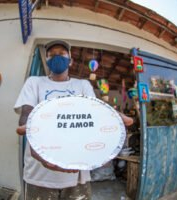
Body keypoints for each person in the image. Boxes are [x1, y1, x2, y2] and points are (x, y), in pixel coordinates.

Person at [14, 40, 133, 200]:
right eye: (52, 55)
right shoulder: (34, 82)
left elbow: (94, 113)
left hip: (77, 175)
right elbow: (26, 113)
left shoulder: (82, 85)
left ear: (70, 61)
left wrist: (111, 121)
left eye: (62, 54)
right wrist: (28, 131)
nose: (57, 57)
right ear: (47, 60)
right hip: (39, 175)